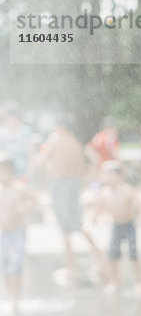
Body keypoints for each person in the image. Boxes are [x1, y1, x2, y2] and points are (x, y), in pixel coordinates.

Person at [36, 118, 108, 286]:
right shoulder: (75, 142)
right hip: (74, 184)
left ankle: (71, 269)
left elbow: (42, 161)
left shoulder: (55, 139)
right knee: (77, 224)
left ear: (59, 127)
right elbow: (90, 160)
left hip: (60, 184)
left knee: (66, 228)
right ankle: (99, 258)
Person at [92, 161, 141, 295]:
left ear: (120, 176)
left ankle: (139, 282)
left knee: (133, 255)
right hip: (116, 225)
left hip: (129, 225)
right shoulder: (104, 193)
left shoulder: (126, 190)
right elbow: (98, 208)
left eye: (112, 175)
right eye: (106, 175)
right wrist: (93, 219)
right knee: (113, 256)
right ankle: (115, 281)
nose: (108, 178)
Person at [0, 154, 36, 315]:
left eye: (4, 171)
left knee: (15, 264)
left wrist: (23, 208)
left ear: (11, 172)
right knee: (6, 265)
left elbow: (33, 200)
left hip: (17, 231)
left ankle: (15, 299)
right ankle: (10, 297)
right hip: (2, 232)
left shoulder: (18, 188)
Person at [0, 105, 35, 179]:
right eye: (10, 119)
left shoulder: (26, 132)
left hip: (23, 172)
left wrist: (29, 173)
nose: (12, 121)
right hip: (5, 174)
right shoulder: (1, 133)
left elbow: (31, 154)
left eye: (15, 118)